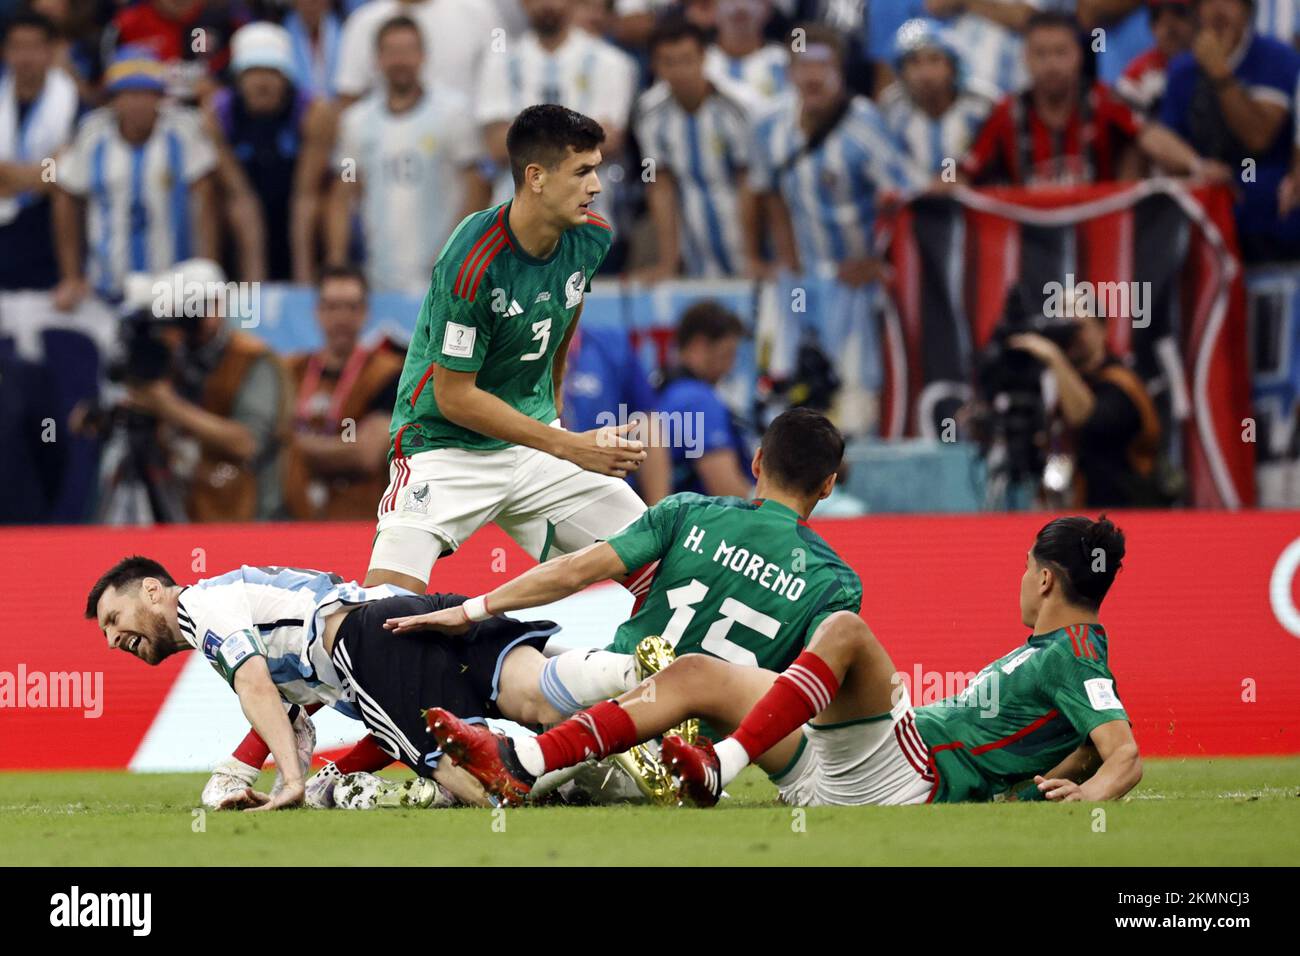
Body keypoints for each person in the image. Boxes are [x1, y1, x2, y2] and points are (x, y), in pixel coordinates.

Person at [429, 515, 1142, 809]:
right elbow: (1081, 740)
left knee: (849, 631)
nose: (1021, 580)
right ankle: (525, 767)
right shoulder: (1058, 656)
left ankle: (725, 763)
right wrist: (1061, 775)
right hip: (849, 771)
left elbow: (1126, 756)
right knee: (694, 674)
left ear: (1045, 579)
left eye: (1026, 567)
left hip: (906, 770)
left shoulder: (1076, 653)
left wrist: (1091, 792)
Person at [385, 408, 861, 736]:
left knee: (481, 643)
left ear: (757, 460)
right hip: (684, 757)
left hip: (597, 707)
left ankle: (407, 758)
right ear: (827, 486)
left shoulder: (688, 512)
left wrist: (471, 611)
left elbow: (572, 572)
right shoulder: (835, 584)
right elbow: (810, 688)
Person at [362, 103, 648, 598]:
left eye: (597, 169)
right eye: (582, 171)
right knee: (383, 606)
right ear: (535, 176)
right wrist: (568, 444)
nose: (596, 186)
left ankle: (655, 670)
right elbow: (455, 397)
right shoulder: (473, 261)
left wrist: (553, 398)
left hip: (535, 442)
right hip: (444, 446)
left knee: (663, 562)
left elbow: (569, 301)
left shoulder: (591, 237)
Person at [84, 557, 606, 810]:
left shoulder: (199, 607)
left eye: (113, 619)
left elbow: (255, 685)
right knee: (541, 698)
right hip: (409, 614)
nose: (112, 640)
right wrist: (254, 770)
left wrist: (292, 782)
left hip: (367, 642)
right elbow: (296, 713)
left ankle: (578, 774)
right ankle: (627, 719)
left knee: (483, 788)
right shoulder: (242, 606)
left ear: (153, 591)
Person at [960, 10, 1222, 185]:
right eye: (1041, 54)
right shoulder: (1008, 111)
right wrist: (940, 186)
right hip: (1032, 252)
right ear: (1026, 59)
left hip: (1099, 248)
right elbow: (965, 169)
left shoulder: (1104, 100)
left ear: (1080, 55)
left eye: (1061, 52)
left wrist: (1196, 165)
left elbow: (1151, 136)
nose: (1051, 64)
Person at [326, 14, 487, 294]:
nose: (400, 60)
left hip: (442, 276)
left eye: (408, 51)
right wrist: (338, 263)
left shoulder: (453, 114)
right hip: (377, 276)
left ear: (423, 56)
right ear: (377, 59)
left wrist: (454, 253)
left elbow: (475, 185)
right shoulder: (356, 123)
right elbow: (343, 191)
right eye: (391, 52)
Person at [52, 47, 217, 309]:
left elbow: (205, 206)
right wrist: (71, 277)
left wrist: (207, 275)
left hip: (174, 288)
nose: (137, 103)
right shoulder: (91, 133)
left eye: (146, 94)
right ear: (113, 99)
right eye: (128, 94)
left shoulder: (183, 131)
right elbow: (66, 196)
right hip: (106, 287)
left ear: (159, 97)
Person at [1161, 0, 1300, 261]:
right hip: (1203, 212)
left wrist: (1220, 74)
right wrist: (1197, 164)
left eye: (1230, 1)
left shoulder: (1277, 58)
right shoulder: (1182, 68)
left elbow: (1257, 137)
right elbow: (1160, 137)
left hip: (1270, 216)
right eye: (1208, 2)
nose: (1218, 10)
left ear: (1248, 10)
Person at [633, 14, 754, 280]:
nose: (680, 71)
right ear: (655, 66)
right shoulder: (649, 113)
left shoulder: (740, 107)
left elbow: (752, 185)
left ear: (704, 58)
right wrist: (668, 262)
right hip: (694, 245)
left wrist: (754, 256)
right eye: (669, 62)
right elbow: (660, 187)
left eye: (687, 60)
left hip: (746, 241)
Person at [1007, 306, 1163, 508]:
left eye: (1076, 326)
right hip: (1068, 509)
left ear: (1101, 329)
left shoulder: (1121, 383)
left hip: (1121, 511)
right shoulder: (1053, 379)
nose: (1068, 335)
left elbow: (1086, 419)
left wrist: (1055, 357)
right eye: (1060, 325)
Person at [282, 265, 403, 521]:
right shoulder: (290, 369)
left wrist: (290, 444)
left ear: (365, 313)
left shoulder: (389, 372)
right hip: (293, 517)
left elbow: (366, 454)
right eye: (332, 307)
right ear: (317, 312)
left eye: (351, 307)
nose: (341, 317)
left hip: (359, 518)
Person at [204, 21, 313, 282]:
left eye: (272, 72)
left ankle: (305, 284)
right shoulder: (216, 115)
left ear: (286, 77)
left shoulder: (313, 112)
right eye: (253, 72)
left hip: (294, 197)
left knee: (313, 204)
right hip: (244, 203)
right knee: (232, 203)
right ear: (238, 77)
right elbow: (238, 191)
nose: (263, 82)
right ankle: (248, 286)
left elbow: (306, 192)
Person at [639, 300, 753, 502]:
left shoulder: (661, 390)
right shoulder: (697, 400)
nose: (730, 367)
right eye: (727, 355)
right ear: (698, 346)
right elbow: (727, 489)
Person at [0, 11, 78, 298]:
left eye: (34, 47)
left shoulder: (72, 100)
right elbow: (49, 168)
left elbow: (64, 170)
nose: (25, 57)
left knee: (65, 190)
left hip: (48, 223)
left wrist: (12, 176)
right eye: (17, 48)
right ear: (5, 52)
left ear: (50, 51)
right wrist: (43, 171)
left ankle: (70, 278)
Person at [879, 18, 992, 182]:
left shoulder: (982, 106)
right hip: (914, 201)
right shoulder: (891, 109)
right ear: (901, 71)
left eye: (934, 59)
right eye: (914, 62)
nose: (925, 73)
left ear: (952, 67)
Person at [1116, 0, 1196, 117]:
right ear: (1151, 27)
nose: (1169, 24)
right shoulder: (1136, 75)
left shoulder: (1213, 65)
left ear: (1196, 20)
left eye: (1178, 13)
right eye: (1158, 16)